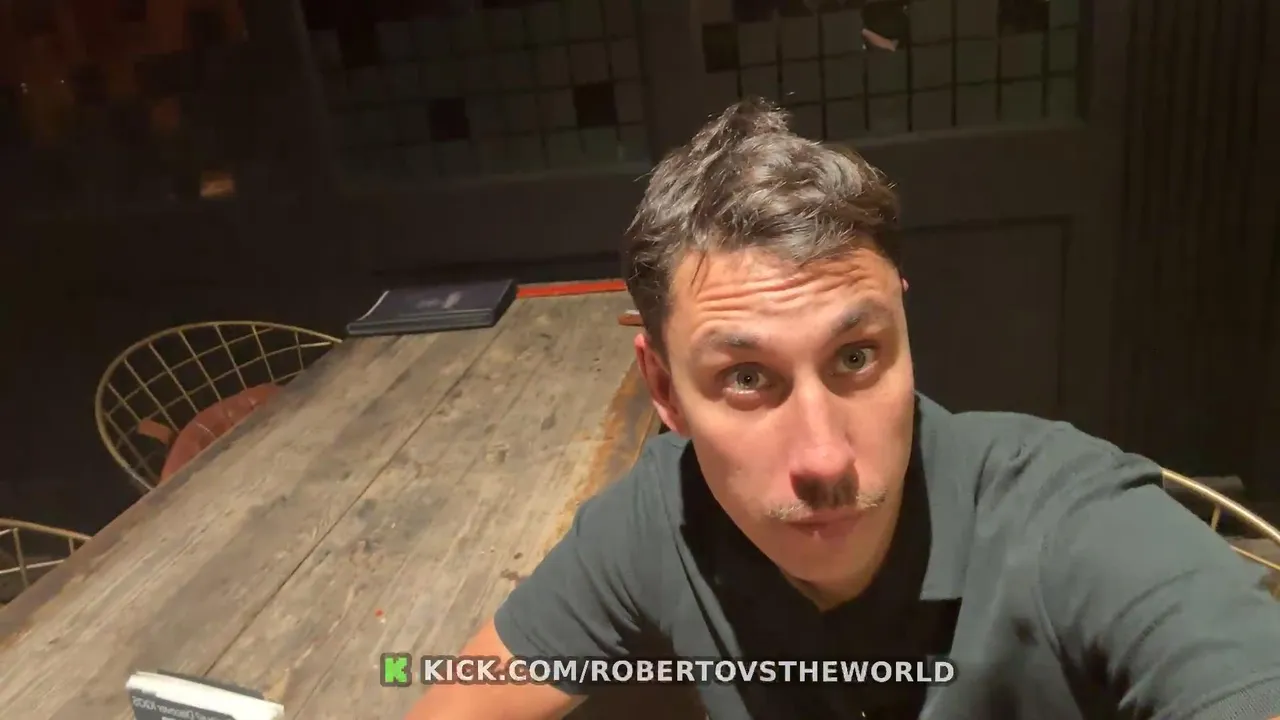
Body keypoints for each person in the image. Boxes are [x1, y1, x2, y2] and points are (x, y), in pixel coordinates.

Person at [406, 98, 1280, 719]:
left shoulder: (1061, 517)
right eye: (746, 378)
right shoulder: (657, 520)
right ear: (665, 390)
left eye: (855, 358)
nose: (824, 458)